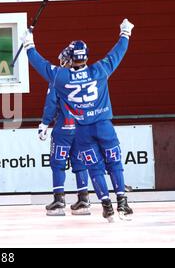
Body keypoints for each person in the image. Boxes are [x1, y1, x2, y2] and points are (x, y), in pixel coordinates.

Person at [23, 19, 135, 221]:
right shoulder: (100, 70)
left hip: (82, 128)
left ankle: (106, 206)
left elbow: (40, 64)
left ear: (71, 58)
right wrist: (125, 32)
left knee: (95, 167)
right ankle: (123, 204)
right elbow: (118, 52)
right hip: (103, 124)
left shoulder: (61, 77)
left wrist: (29, 45)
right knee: (115, 163)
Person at [39, 47, 90, 216]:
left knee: (58, 163)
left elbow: (52, 102)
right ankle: (84, 199)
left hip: (63, 128)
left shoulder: (58, 78)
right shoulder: (88, 77)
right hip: (82, 128)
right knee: (80, 162)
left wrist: (45, 123)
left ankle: (59, 200)